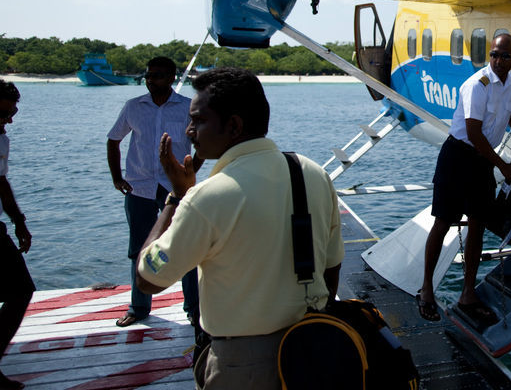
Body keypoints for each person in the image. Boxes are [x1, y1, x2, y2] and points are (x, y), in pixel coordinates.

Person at [136, 68, 344, 389]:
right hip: (314, 348)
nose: (190, 131)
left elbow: (148, 278)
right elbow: (332, 266)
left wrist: (176, 198)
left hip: (242, 363)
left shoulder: (206, 197)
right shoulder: (312, 172)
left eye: (199, 120)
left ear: (233, 126)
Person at [417, 33, 511, 323]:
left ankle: (467, 294)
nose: (499, 61)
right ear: (490, 56)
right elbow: (473, 132)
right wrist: (503, 166)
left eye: (505, 56)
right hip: (458, 157)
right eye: (494, 55)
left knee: (478, 224)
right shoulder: (478, 84)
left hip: (482, 161)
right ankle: (426, 289)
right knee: (443, 222)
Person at [107, 57, 203, 328]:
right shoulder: (133, 107)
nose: (151, 80)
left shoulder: (187, 108)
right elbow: (114, 140)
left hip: (176, 188)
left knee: (185, 246)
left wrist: (189, 174)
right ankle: (138, 308)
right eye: (148, 75)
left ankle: (194, 309)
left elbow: (202, 143)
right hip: (139, 187)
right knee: (139, 248)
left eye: (158, 75)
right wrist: (117, 178)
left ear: (171, 78)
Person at [0, 80, 33, 390]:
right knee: (20, 289)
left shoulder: (1, 139)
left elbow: (1, 182)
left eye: (12, 113)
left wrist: (18, 222)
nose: (8, 120)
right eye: (3, 114)